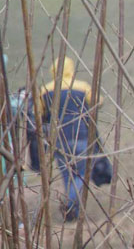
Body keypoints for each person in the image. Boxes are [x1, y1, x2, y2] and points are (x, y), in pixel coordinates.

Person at [27, 56, 112, 221]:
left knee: (67, 176)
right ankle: (72, 208)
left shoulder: (45, 90)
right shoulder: (82, 87)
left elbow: (38, 113)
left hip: (59, 141)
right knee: (80, 175)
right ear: (71, 69)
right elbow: (98, 102)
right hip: (83, 138)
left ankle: (72, 208)